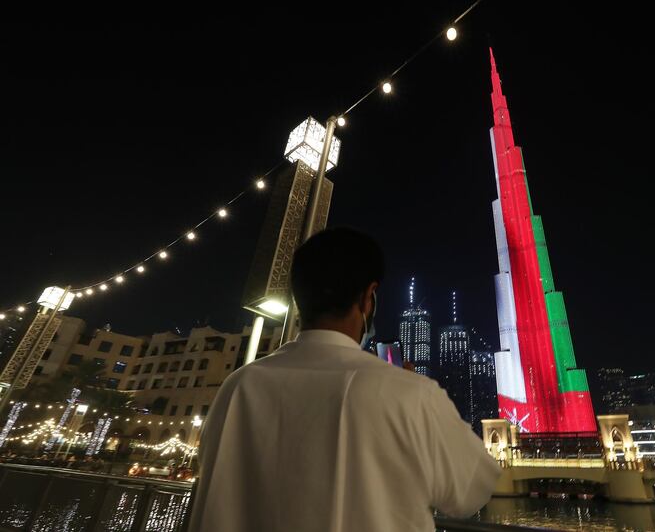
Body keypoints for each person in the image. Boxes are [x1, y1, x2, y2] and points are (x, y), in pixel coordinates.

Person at [188, 227, 500, 532]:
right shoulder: (410, 393)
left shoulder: (237, 386)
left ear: (300, 300)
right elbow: (474, 488)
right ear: (368, 299)